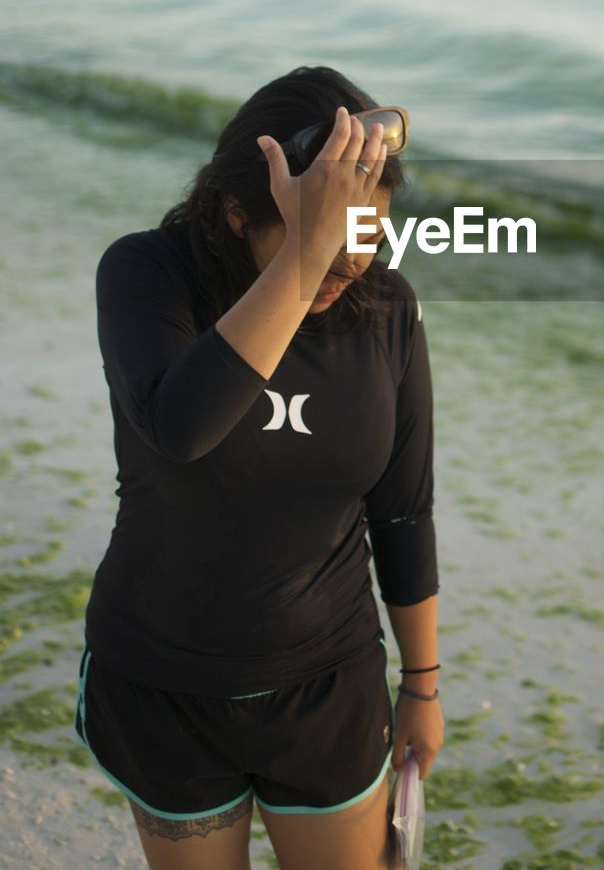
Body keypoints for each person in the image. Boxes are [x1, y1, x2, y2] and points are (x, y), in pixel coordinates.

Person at [72, 65, 444, 870]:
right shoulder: (147, 276)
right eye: (321, 239)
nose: (347, 270)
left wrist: (422, 684)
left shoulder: (385, 309)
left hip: (328, 684)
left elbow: (403, 509)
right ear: (237, 213)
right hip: (162, 682)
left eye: (365, 241)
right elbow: (183, 427)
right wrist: (299, 263)